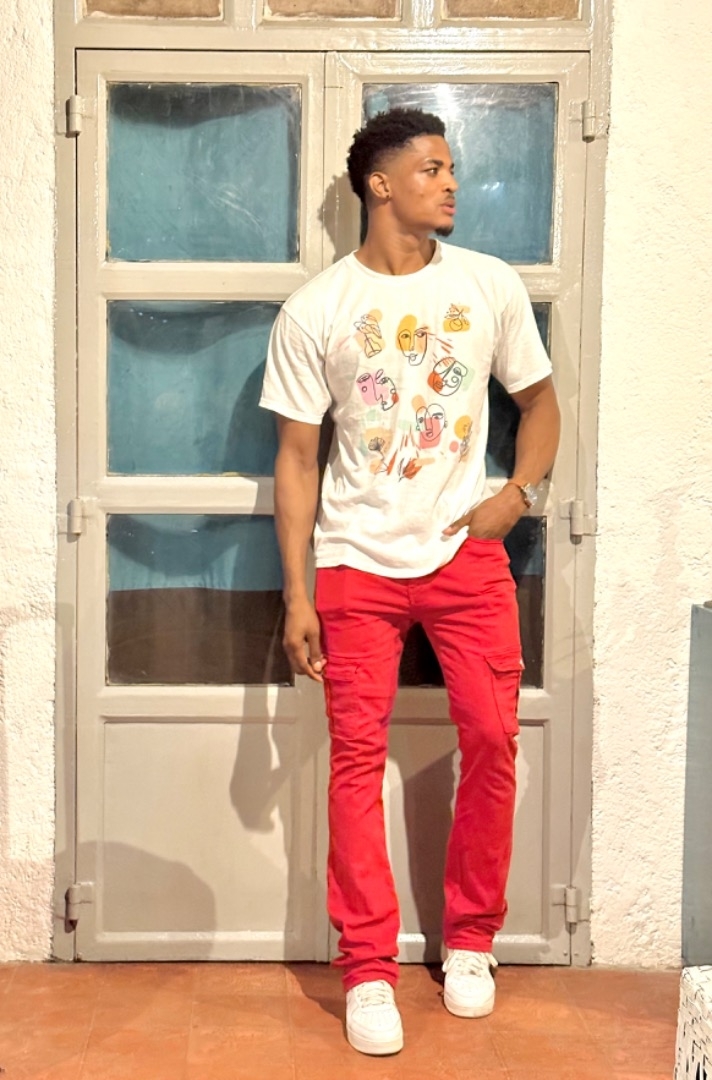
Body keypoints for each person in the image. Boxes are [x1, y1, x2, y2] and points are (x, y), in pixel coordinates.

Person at [259, 107, 560, 1056]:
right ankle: (367, 969)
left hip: (466, 555)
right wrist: (298, 593)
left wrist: (516, 495)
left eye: (451, 167)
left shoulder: (488, 285)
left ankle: (471, 941)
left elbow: (541, 404)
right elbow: (296, 460)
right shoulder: (317, 308)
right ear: (379, 184)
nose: (451, 182)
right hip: (355, 561)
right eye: (432, 168)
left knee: (493, 739)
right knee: (355, 759)